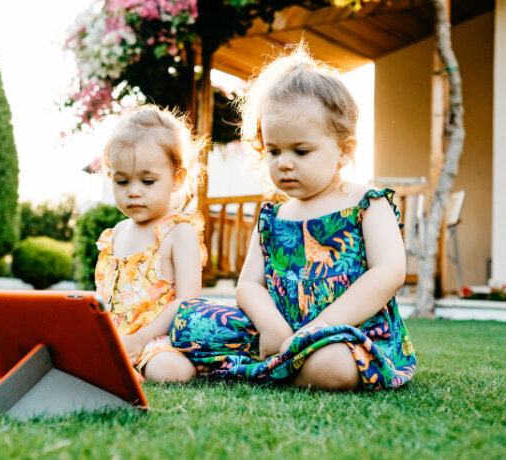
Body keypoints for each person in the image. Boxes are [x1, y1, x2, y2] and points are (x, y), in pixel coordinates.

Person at [170, 46, 416, 391]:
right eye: (274, 150)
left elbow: (389, 272)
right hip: (280, 329)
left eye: (300, 151)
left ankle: (272, 367)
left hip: (347, 331)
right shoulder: (273, 216)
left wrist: (321, 326)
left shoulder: (366, 203)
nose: (284, 162)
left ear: (344, 150)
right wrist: (272, 327)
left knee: (331, 365)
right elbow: (249, 285)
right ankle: (279, 359)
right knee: (189, 323)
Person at [94, 105, 207, 383]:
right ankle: (116, 364)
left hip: (160, 338)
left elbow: (187, 302)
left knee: (170, 370)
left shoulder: (180, 233)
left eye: (147, 181)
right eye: (122, 181)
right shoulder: (116, 234)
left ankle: (131, 367)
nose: (134, 191)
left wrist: (141, 339)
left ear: (176, 179)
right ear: (111, 178)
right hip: (117, 335)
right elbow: (106, 297)